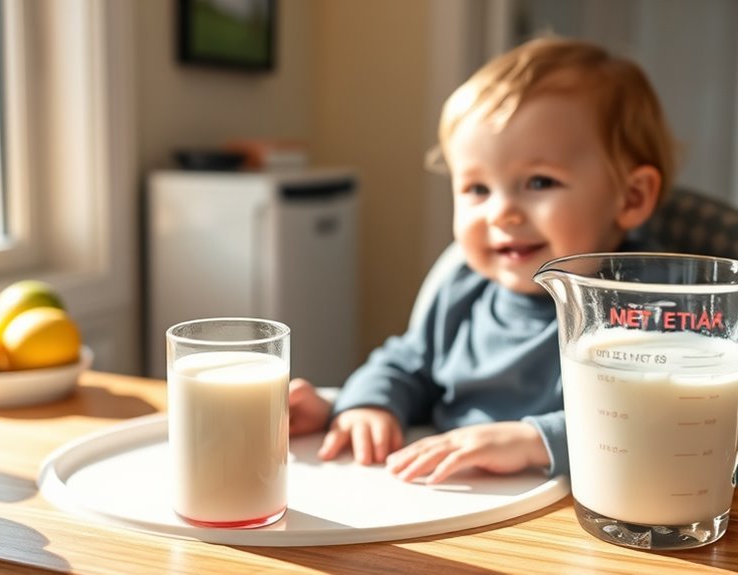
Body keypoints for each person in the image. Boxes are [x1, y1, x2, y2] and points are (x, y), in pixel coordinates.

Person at [288, 36, 677, 483]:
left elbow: (654, 424)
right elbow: (405, 364)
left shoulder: (652, 305)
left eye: (538, 182)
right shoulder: (464, 290)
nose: (501, 213)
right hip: (452, 503)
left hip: (581, 519)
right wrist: (364, 405)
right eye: (477, 189)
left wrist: (532, 441)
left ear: (631, 197)